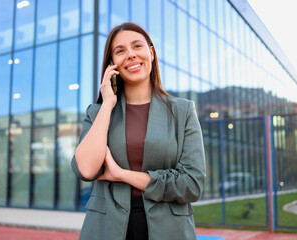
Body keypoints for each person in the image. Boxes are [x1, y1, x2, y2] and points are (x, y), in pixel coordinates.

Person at [72, 22, 206, 240]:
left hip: (169, 230)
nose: (131, 55)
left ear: (151, 53)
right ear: (112, 64)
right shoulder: (97, 112)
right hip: (105, 229)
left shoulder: (182, 111)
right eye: (120, 51)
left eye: (137, 46)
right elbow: (86, 169)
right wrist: (107, 104)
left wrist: (122, 175)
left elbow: (191, 185)